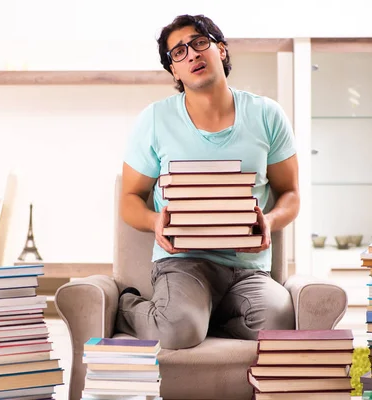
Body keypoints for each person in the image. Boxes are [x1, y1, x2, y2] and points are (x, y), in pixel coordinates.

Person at [115, 14, 300, 349]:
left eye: (200, 43)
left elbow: (290, 193)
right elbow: (129, 198)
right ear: (174, 70)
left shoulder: (268, 115)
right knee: (176, 331)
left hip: (248, 269)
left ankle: (198, 313)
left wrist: (270, 221)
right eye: (179, 52)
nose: (192, 54)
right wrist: (155, 221)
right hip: (183, 262)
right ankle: (130, 307)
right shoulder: (155, 120)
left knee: (277, 321)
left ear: (222, 51)